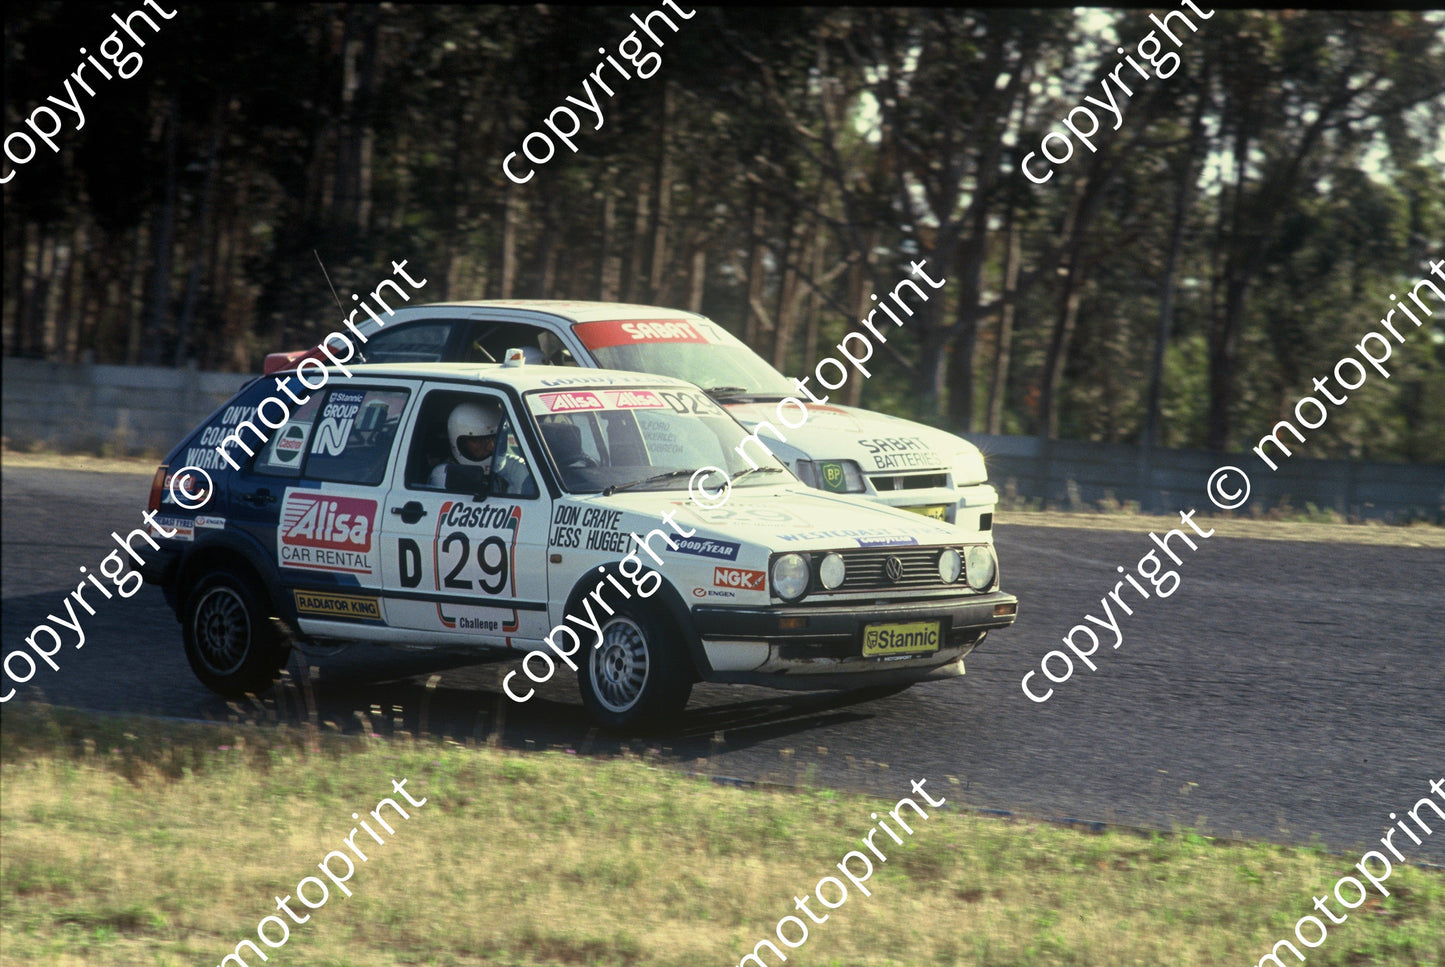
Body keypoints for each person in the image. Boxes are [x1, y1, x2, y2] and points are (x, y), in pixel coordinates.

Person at [428, 400, 531, 495]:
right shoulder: (445, 474)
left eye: (495, 439)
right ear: (460, 443)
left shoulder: (512, 466)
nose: (491, 447)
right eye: (479, 441)